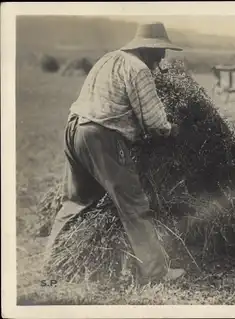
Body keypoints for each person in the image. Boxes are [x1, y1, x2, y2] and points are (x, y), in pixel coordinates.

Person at [45, 22, 186, 284]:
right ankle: (156, 272)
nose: (163, 57)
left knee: (74, 202)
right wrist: (171, 129)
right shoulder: (139, 69)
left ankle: (51, 267)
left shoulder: (108, 59)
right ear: (149, 49)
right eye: (161, 51)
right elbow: (154, 121)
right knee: (133, 205)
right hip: (102, 137)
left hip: (74, 130)